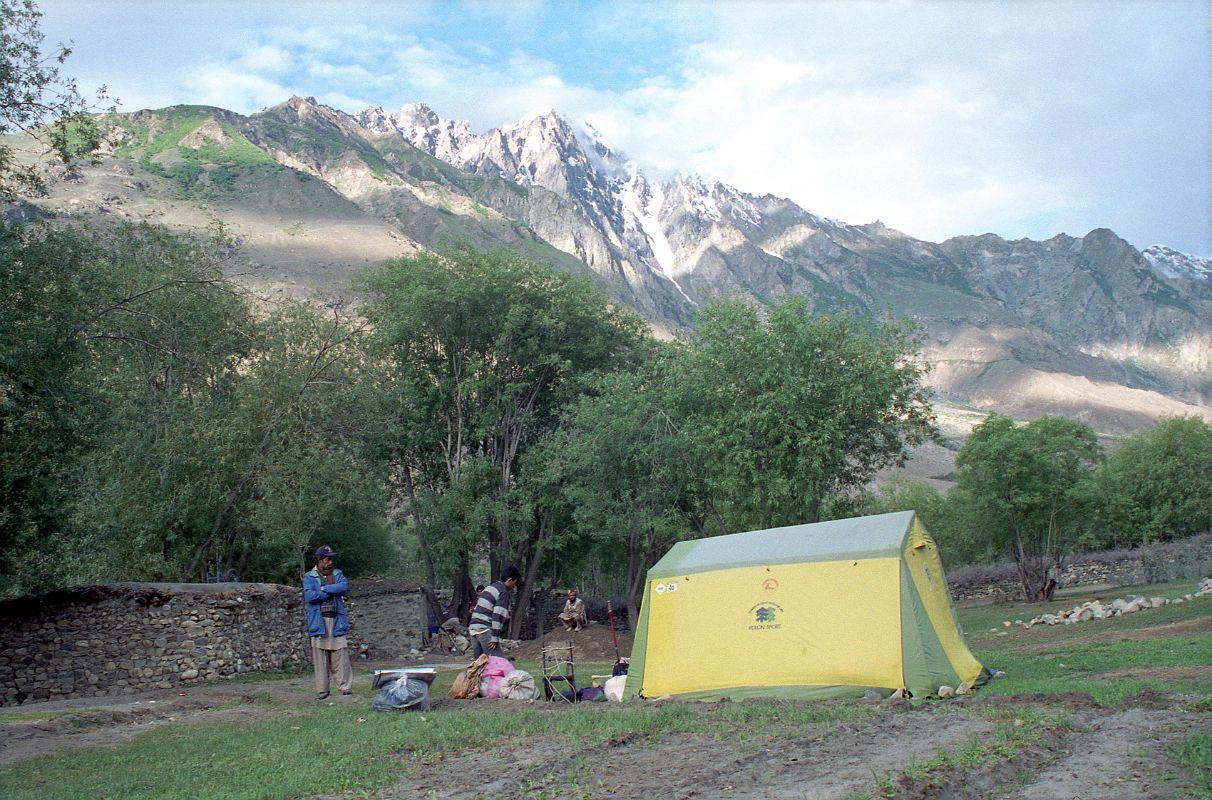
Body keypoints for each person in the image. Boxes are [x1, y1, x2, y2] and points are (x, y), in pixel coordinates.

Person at [303, 545, 353, 700]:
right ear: (319, 560)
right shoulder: (309, 577)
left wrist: (323, 588)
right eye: (327, 559)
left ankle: (345, 687)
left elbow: (343, 587)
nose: (330, 562)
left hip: (336, 620)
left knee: (340, 653)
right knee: (320, 656)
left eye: (331, 559)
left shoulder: (338, 574)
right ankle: (323, 690)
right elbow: (310, 596)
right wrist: (330, 591)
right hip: (319, 621)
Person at [467, 566, 520, 658]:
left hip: (473, 629)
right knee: (498, 662)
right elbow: (497, 615)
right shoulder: (503, 592)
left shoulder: (490, 587)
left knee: (479, 665)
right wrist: (495, 638)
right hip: (484, 630)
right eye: (514, 583)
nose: (514, 586)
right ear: (510, 580)